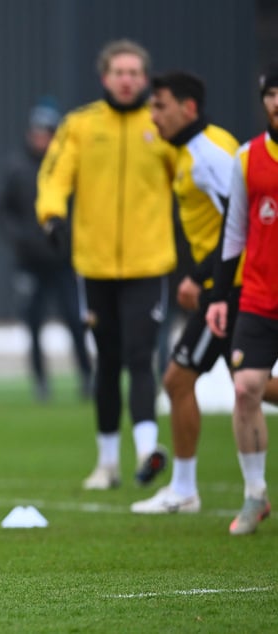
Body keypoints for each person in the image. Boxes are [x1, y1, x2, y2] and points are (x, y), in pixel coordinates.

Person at [36, 39, 177, 490]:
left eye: (135, 72)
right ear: (105, 77)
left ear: (146, 79)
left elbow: (190, 181)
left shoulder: (162, 126)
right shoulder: (80, 125)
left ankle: (147, 452)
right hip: (94, 265)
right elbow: (54, 175)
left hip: (149, 263)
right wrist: (52, 215)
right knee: (107, 360)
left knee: (141, 355)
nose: (127, 79)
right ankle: (107, 462)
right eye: (119, 71)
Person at [130, 72, 243, 513]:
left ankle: (184, 490)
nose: (153, 115)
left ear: (188, 108)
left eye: (159, 106)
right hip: (222, 285)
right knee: (239, 384)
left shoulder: (210, 154)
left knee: (185, 380)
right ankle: (184, 488)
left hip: (228, 287)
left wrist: (200, 275)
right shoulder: (186, 150)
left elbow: (240, 223)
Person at [206, 64, 278, 535]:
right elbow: (233, 233)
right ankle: (255, 495)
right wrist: (219, 294)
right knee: (246, 386)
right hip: (258, 294)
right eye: (272, 94)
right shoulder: (248, 157)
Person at [0, 97, 92, 402]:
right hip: (30, 262)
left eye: (47, 133)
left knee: (76, 320)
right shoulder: (16, 168)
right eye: (37, 132)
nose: (41, 139)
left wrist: (72, 239)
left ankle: (87, 377)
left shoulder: (68, 166)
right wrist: (20, 238)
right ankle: (40, 382)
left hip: (63, 261)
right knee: (33, 322)